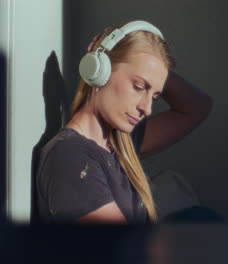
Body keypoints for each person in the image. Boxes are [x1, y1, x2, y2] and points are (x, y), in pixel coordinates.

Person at [34, 20, 213, 224]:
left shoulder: (120, 141)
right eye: (138, 86)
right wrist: (108, 54)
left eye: (154, 95)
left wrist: (155, 67)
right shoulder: (71, 158)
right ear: (100, 71)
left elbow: (198, 106)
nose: (146, 108)